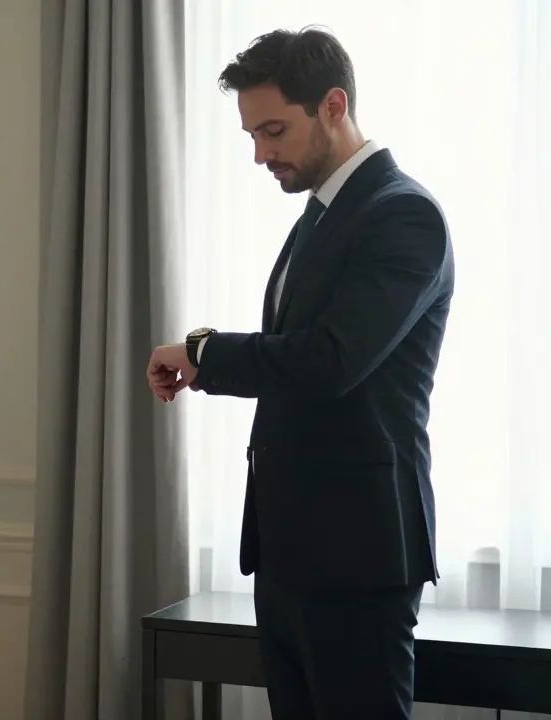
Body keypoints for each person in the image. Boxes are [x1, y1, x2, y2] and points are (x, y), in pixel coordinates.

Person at [146, 27, 454, 719]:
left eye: (275, 130)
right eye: (252, 134)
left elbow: (329, 361)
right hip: (289, 552)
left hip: (357, 557)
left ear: (334, 106)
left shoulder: (402, 215)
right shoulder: (322, 216)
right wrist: (202, 351)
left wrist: (203, 355)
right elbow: (299, 347)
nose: (260, 154)